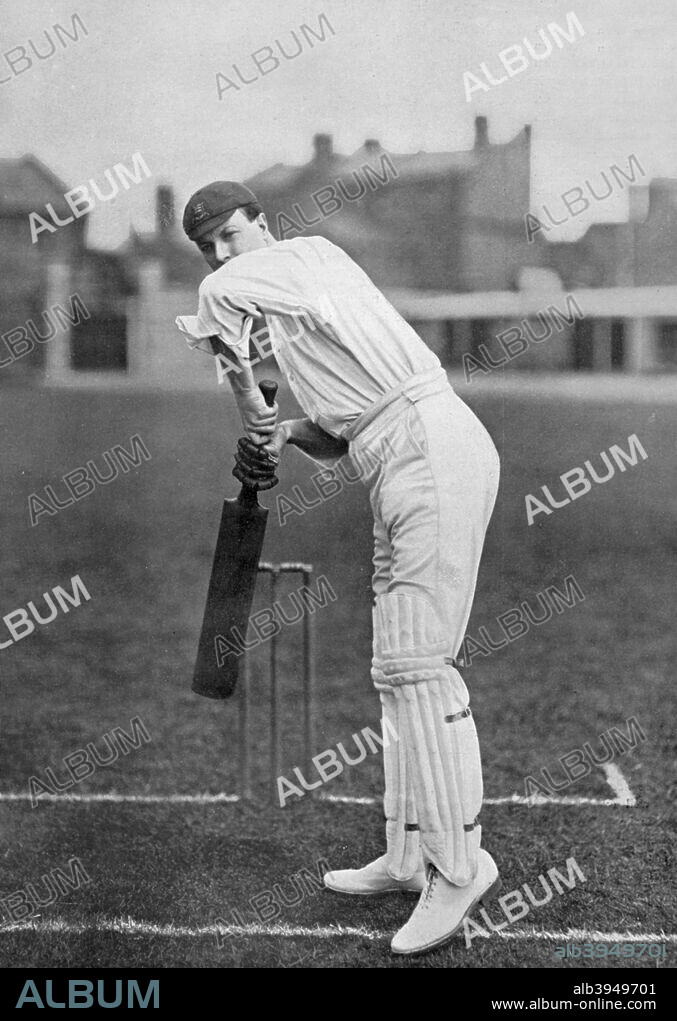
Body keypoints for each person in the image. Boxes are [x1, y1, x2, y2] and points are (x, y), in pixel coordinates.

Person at [176, 180, 502, 956]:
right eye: (209, 245)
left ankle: (459, 867)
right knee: (394, 670)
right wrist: (283, 434)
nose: (222, 253)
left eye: (230, 232)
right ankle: (404, 854)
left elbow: (220, 309)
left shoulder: (297, 258)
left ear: (263, 223)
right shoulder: (292, 316)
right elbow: (344, 426)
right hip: (392, 455)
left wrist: (252, 417)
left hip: (428, 445)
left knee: (420, 665)